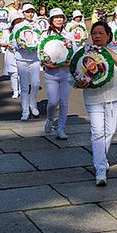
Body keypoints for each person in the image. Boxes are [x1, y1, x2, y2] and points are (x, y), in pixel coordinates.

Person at [76, 20, 117, 186]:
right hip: (93, 98)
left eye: (100, 33)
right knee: (97, 132)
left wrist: (105, 51)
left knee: (110, 131)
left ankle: (101, 160)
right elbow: (74, 75)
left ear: (108, 35)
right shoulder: (84, 52)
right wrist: (78, 82)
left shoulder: (115, 49)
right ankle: (100, 169)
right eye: (94, 33)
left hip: (113, 98)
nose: (97, 36)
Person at [41, 8, 73, 141]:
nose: (59, 20)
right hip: (51, 73)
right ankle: (49, 119)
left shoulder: (68, 34)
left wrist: (70, 62)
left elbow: (74, 51)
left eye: (61, 17)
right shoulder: (45, 35)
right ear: (51, 20)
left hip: (66, 73)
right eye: (56, 17)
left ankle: (60, 128)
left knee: (64, 102)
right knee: (53, 102)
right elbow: (41, 51)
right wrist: (46, 63)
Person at [13, 4, 42, 120]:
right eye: (27, 12)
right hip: (22, 58)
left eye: (32, 12)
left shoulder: (38, 26)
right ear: (23, 13)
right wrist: (20, 45)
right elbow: (14, 41)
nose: (30, 14)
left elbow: (41, 39)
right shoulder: (18, 26)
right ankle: (25, 111)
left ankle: (33, 105)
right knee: (24, 87)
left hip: (34, 58)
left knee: (35, 84)